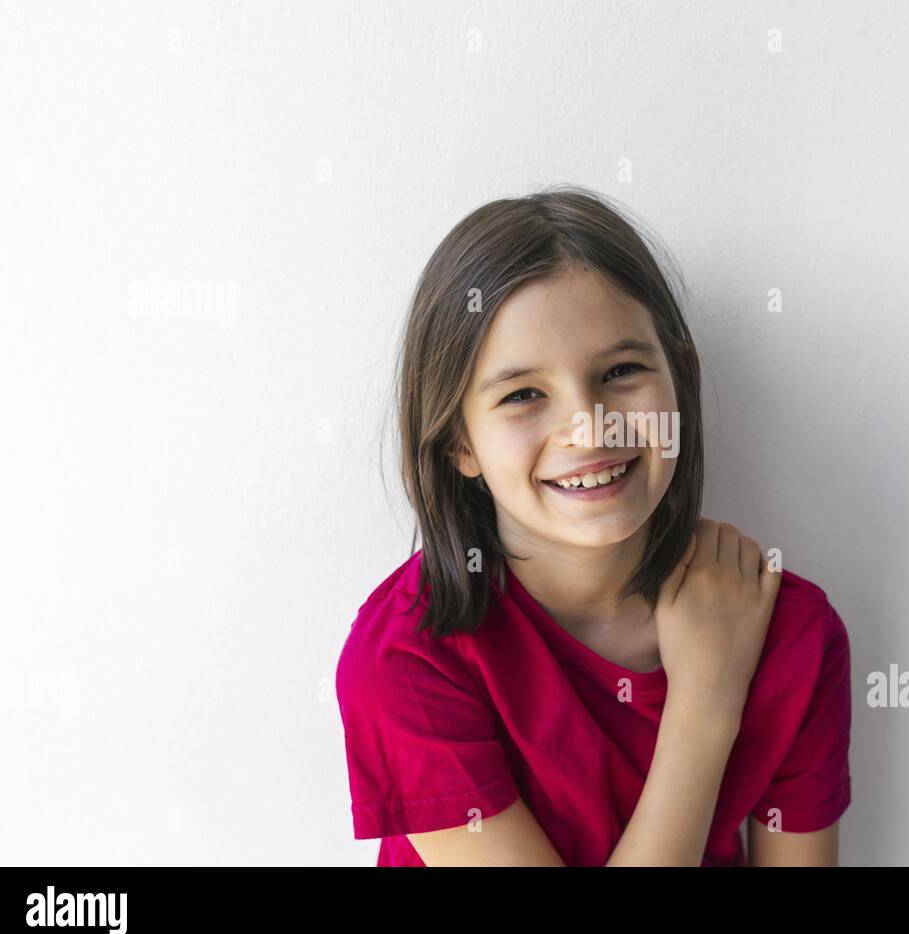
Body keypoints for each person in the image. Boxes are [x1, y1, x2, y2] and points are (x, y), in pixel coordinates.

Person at [335, 185, 852, 865]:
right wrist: (704, 702)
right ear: (459, 443)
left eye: (621, 371)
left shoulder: (791, 634)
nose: (590, 426)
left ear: (680, 383)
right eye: (524, 395)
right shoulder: (408, 658)